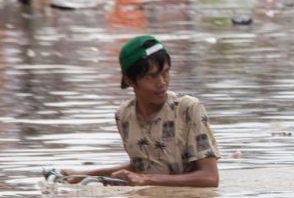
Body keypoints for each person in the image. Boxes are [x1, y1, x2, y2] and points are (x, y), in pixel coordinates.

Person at [56, 36, 220, 187]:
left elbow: (210, 178)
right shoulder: (124, 115)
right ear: (129, 81)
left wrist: (146, 179)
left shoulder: (188, 109)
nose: (162, 83)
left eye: (165, 73)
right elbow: (144, 165)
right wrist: (85, 174)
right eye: (152, 76)